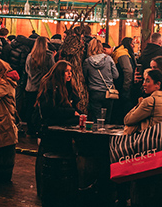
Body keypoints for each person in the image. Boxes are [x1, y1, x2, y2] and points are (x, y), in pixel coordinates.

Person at [123, 68, 162, 207]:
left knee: (142, 189)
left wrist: (139, 103)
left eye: (148, 81)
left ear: (157, 84)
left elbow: (128, 119)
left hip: (147, 151)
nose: (144, 84)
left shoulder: (149, 101)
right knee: (159, 188)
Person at [34, 60, 80, 194]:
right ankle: (45, 188)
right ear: (60, 73)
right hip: (50, 129)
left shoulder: (68, 87)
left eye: (71, 71)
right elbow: (50, 110)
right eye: (67, 71)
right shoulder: (50, 88)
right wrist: (73, 113)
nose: (70, 74)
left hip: (62, 128)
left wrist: (78, 114)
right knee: (48, 155)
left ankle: (61, 188)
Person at [83, 36, 119, 122]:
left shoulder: (87, 62)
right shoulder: (109, 59)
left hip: (94, 92)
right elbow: (116, 75)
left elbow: (84, 77)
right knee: (107, 119)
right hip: (108, 92)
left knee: (96, 119)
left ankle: (97, 134)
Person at [24, 35, 55, 135]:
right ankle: (39, 128)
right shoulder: (49, 56)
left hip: (30, 86)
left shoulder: (30, 56)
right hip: (43, 87)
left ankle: (30, 129)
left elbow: (27, 71)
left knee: (29, 108)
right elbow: (52, 71)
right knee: (41, 110)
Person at [112, 37, 136, 121]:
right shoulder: (123, 54)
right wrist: (126, 86)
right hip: (123, 85)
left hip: (120, 84)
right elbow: (128, 71)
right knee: (125, 109)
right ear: (128, 44)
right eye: (132, 44)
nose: (133, 46)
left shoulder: (120, 52)